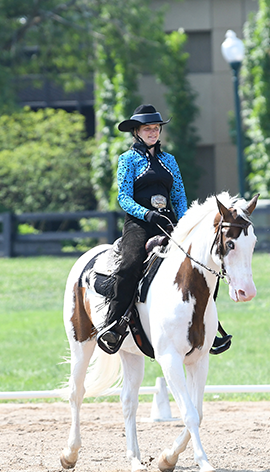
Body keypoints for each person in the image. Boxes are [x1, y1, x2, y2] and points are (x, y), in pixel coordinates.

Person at [96, 104, 188, 354]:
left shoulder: (169, 160)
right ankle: (113, 324)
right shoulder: (128, 160)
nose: (153, 132)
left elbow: (178, 195)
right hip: (139, 222)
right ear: (136, 131)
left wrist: (184, 222)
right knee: (130, 263)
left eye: (156, 128)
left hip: (169, 221)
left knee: (197, 261)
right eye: (148, 129)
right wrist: (147, 213)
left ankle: (208, 327)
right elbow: (124, 198)